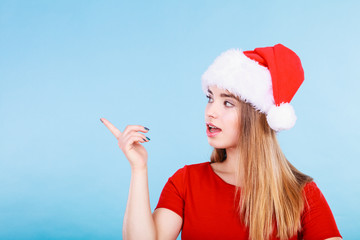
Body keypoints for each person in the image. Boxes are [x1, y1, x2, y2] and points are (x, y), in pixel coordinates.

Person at [100, 44, 342, 240]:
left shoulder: (301, 193)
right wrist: (138, 168)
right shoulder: (185, 182)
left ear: (256, 116)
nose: (210, 112)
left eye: (227, 103)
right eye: (210, 98)